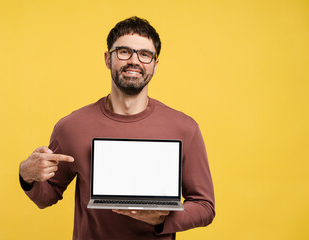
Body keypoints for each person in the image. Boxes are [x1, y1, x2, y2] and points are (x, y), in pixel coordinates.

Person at [19, 16, 215, 240]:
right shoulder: (71, 127)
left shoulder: (184, 128)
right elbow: (47, 196)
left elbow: (205, 207)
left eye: (145, 54)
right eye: (124, 52)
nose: (134, 61)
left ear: (155, 65)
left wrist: (163, 220)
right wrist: (26, 175)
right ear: (107, 59)